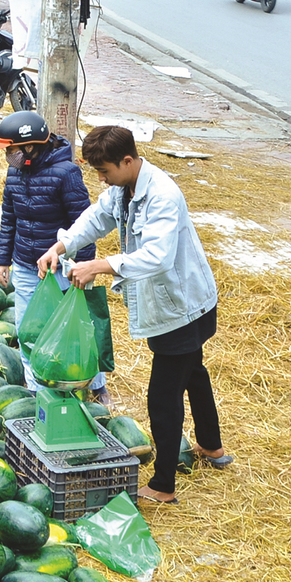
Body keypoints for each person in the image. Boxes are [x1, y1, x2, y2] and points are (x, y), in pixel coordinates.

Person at [37, 125, 227, 504]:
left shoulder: (162, 195)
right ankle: (212, 447)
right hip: (176, 304)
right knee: (193, 371)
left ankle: (163, 486)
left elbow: (157, 257)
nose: (101, 179)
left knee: (163, 396)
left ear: (127, 160)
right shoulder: (123, 189)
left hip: (181, 307)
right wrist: (60, 246)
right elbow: (95, 219)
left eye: (105, 171)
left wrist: (100, 266)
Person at [0, 111, 111, 405]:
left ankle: (95, 383)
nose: (8, 155)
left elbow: (84, 224)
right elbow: (9, 219)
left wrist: (82, 265)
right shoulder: (15, 172)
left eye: (11, 149)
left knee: (75, 327)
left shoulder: (66, 173)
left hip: (61, 266)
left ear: (29, 146)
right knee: (28, 329)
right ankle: (37, 389)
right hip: (26, 264)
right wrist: (2, 258)